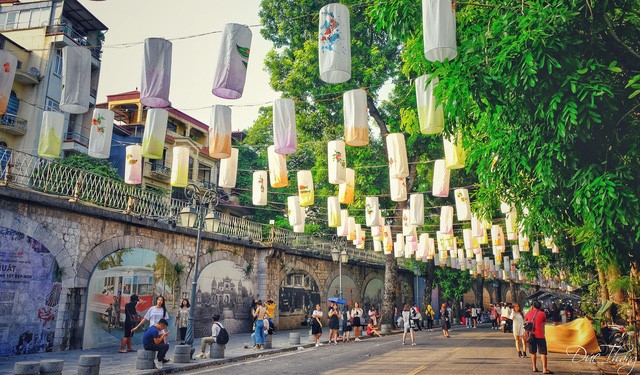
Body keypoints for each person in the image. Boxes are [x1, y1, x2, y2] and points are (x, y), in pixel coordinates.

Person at [525, 301, 553, 374]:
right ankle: (544, 369)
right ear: (540, 307)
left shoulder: (529, 313)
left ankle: (534, 367)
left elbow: (526, 320)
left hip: (531, 335)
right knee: (543, 353)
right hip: (540, 335)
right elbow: (544, 322)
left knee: (533, 352)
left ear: (533, 306)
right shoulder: (542, 313)